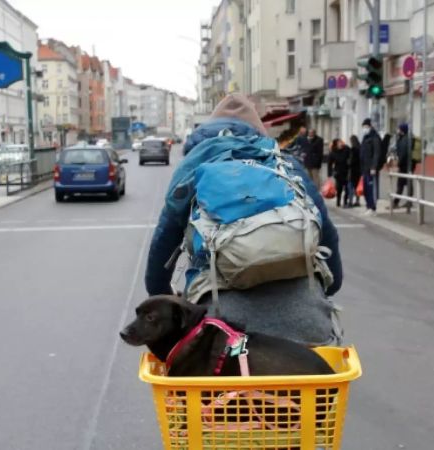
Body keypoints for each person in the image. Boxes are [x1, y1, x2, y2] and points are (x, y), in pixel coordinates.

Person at [145, 93, 343, 346]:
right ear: (258, 132)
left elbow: (163, 242)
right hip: (306, 328)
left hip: (221, 333)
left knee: (204, 372)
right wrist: (329, 286)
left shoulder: (193, 170)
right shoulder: (286, 165)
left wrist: (159, 293)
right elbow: (327, 233)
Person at [359, 118, 383, 215]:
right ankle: (368, 206)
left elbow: (377, 153)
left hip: (371, 168)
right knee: (366, 189)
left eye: (365, 127)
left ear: (369, 126)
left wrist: (374, 166)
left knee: (371, 188)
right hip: (365, 167)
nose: (364, 129)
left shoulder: (375, 138)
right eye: (363, 127)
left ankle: (373, 207)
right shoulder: (365, 137)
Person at [393, 123, 414, 208]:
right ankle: (408, 202)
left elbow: (403, 153)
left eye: (398, 129)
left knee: (401, 184)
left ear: (402, 130)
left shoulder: (405, 140)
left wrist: (398, 163)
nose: (397, 130)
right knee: (407, 184)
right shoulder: (403, 138)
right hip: (407, 165)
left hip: (405, 166)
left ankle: (396, 202)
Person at [327, 139, 351, 208]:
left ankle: (345, 202)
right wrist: (329, 174)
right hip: (338, 172)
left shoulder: (346, 149)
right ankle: (338, 201)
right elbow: (329, 163)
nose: (340, 144)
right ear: (336, 144)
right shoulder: (333, 152)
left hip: (346, 171)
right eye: (338, 143)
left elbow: (351, 155)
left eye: (341, 142)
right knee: (339, 188)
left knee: (347, 188)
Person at [348, 135, 363, 208]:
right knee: (357, 187)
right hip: (359, 170)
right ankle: (357, 201)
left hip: (353, 170)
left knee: (350, 186)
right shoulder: (360, 148)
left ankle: (350, 201)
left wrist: (348, 162)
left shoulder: (353, 149)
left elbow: (351, 161)